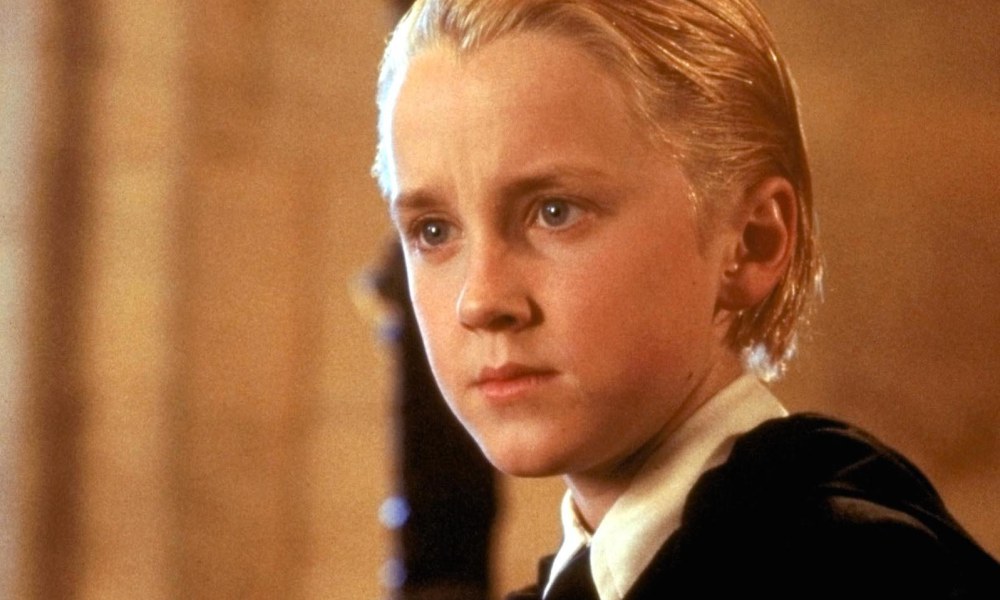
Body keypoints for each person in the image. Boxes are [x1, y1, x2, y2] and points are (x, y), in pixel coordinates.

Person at [371, 0, 1000, 597]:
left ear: (751, 242)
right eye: (433, 231)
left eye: (555, 211)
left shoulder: (864, 574)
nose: (480, 300)